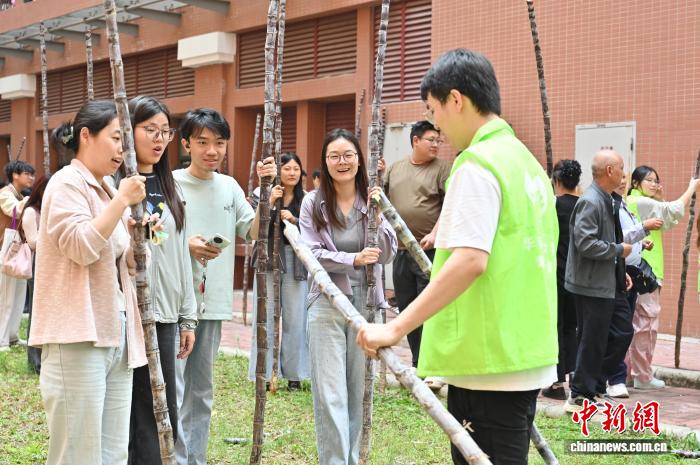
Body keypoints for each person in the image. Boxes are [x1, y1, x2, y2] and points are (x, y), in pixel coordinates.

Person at [358, 49, 558, 465]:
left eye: (434, 112)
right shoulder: (526, 163)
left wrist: (395, 327)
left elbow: (469, 261)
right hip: (524, 347)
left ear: (456, 99)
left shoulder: (477, 165)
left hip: (488, 357)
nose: (438, 128)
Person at [28, 99, 148, 465]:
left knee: (113, 453)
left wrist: (139, 236)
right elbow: (80, 247)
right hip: (77, 334)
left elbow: (125, 264)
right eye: (115, 138)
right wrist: (121, 203)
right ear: (86, 135)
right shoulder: (66, 183)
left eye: (124, 141)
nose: (122, 149)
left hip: (116, 329)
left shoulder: (108, 188)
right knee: (77, 454)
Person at [173, 108, 276, 465]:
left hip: (212, 302)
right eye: (202, 142)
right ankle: (171, 457)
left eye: (219, 143)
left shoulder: (230, 186)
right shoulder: (170, 183)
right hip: (173, 301)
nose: (212, 151)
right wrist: (185, 245)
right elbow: (153, 237)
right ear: (186, 144)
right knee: (173, 387)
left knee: (201, 390)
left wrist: (265, 193)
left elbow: (253, 230)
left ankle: (195, 459)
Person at [299, 128, 396, 465]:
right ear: (325, 162)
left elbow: (388, 253)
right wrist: (352, 258)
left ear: (359, 159)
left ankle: (351, 459)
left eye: (348, 155)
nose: (342, 162)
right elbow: (311, 253)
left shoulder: (373, 199)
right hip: (326, 301)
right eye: (334, 156)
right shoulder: (312, 202)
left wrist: (378, 215)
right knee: (330, 392)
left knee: (358, 391)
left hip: (367, 302)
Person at [125, 96, 197, 464]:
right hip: (126, 315)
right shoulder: (114, 187)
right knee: (124, 411)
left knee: (160, 407)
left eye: (164, 132)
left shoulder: (172, 189)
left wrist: (188, 318)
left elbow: (181, 256)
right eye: (149, 130)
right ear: (127, 131)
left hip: (164, 316)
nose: (158, 139)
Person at [564, 150, 634, 412]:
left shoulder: (607, 199)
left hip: (607, 281)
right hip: (590, 284)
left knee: (621, 332)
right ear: (609, 171)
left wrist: (619, 269)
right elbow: (585, 244)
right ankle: (580, 394)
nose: (624, 173)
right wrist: (618, 251)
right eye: (621, 168)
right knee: (592, 339)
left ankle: (593, 386)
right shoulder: (591, 201)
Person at [382, 120, 450, 379]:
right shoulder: (395, 169)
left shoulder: (442, 169)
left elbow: (449, 205)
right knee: (407, 306)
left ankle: (434, 365)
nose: (436, 145)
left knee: (429, 307)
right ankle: (418, 362)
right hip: (401, 250)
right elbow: (380, 198)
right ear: (415, 141)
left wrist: (435, 233)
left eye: (438, 141)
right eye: (431, 140)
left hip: (428, 251)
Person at [625, 166, 699, 389]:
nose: (654, 184)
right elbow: (673, 210)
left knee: (634, 324)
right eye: (649, 180)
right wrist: (692, 187)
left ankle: (629, 373)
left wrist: (659, 199)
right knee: (646, 325)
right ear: (635, 183)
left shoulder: (635, 202)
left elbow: (666, 221)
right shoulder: (639, 201)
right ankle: (642, 376)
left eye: (656, 180)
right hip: (646, 272)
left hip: (639, 270)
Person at [247, 152, 310, 390]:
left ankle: (295, 375)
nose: (292, 173)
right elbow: (254, 231)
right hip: (267, 259)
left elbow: (315, 232)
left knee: (296, 318)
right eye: (287, 168)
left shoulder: (307, 199)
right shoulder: (260, 193)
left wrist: (295, 220)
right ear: (277, 172)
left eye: (296, 169)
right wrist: (269, 202)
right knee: (265, 317)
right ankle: (263, 374)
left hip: (296, 260)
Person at [606, 174, 663, 398]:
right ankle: (614, 378)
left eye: (624, 176)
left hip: (628, 271)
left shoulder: (623, 205)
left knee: (624, 328)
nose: (622, 180)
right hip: (615, 272)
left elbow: (626, 237)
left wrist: (641, 243)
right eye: (618, 175)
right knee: (621, 329)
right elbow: (616, 237)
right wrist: (644, 226)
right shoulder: (608, 205)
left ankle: (615, 377)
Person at [541, 160, 582, 400]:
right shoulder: (585, 205)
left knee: (555, 326)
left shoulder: (552, 205)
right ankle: (575, 375)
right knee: (572, 327)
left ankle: (557, 383)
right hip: (579, 276)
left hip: (555, 274)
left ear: (556, 181)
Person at [0, 159, 35, 351]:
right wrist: (33, 199)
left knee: (19, 294)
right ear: (15, 175)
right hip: (5, 250)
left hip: (17, 250)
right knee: (5, 296)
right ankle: (1, 340)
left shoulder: (20, 195)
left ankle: (12, 336)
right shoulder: (5, 194)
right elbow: (13, 211)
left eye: (32, 175)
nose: (32, 178)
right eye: (27, 174)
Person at [19, 174, 50, 372]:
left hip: (52, 265)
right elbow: (33, 242)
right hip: (38, 264)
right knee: (37, 312)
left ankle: (46, 358)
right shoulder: (31, 212)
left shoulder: (52, 211)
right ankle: (35, 361)